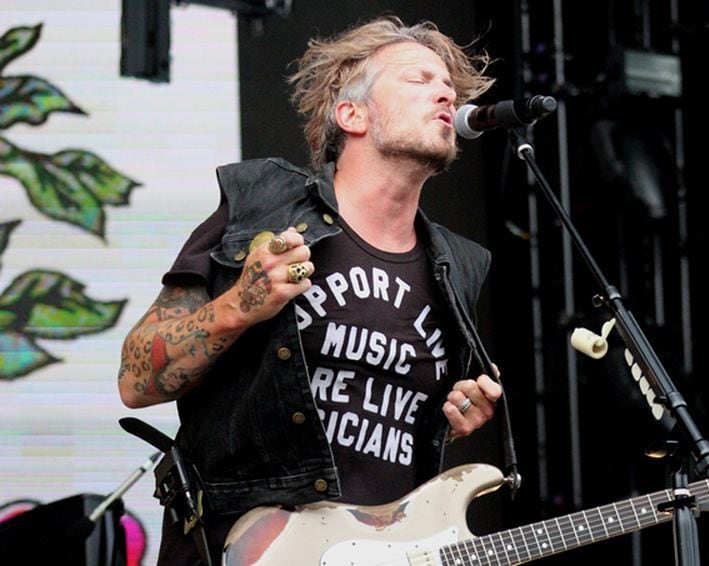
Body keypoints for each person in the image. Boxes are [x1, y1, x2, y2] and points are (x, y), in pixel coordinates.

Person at [117, 15, 504, 565]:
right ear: (352, 113)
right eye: (418, 79)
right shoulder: (263, 206)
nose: (445, 92)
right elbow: (136, 379)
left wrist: (449, 419)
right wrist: (238, 305)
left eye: (448, 86)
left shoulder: (458, 264)